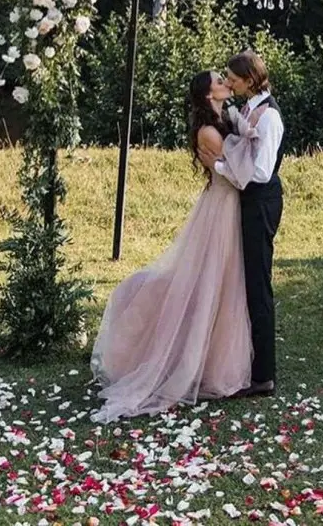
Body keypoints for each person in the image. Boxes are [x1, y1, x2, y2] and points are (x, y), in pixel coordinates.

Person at [89, 70, 260, 423]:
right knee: (211, 282)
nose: (225, 83)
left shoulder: (223, 121)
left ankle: (210, 360)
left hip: (227, 205)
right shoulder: (209, 131)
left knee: (223, 284)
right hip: (221, 207)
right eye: (219, 81)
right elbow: (238, 171)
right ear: (208, 94)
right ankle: (184, 358)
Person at [199, 50, 284, 397]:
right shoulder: (249, 108)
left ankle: (264, 375)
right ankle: (249, 360)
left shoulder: (269, 117)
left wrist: (219, 167)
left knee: (258, 284)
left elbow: (260, 172)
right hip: (249, 201)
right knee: (248, 282)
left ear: (249, 80)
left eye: (233, 79)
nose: (229, 83)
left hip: (261, 202)